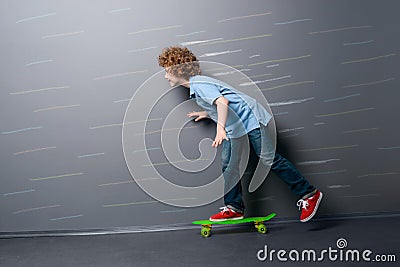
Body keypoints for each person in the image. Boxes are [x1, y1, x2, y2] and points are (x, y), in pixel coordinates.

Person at [158, 46, 323, 222]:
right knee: (228, 163)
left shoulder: (199, 84)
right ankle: (234, 207)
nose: (165, 75)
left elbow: (223, 101)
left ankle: (309, 194)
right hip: (237, 125)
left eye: (167, 71)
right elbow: (222, 101)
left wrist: (219, 128)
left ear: (178, 69)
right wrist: (206, 114)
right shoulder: (198, 85)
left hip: (251, 120)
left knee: (268, 159)